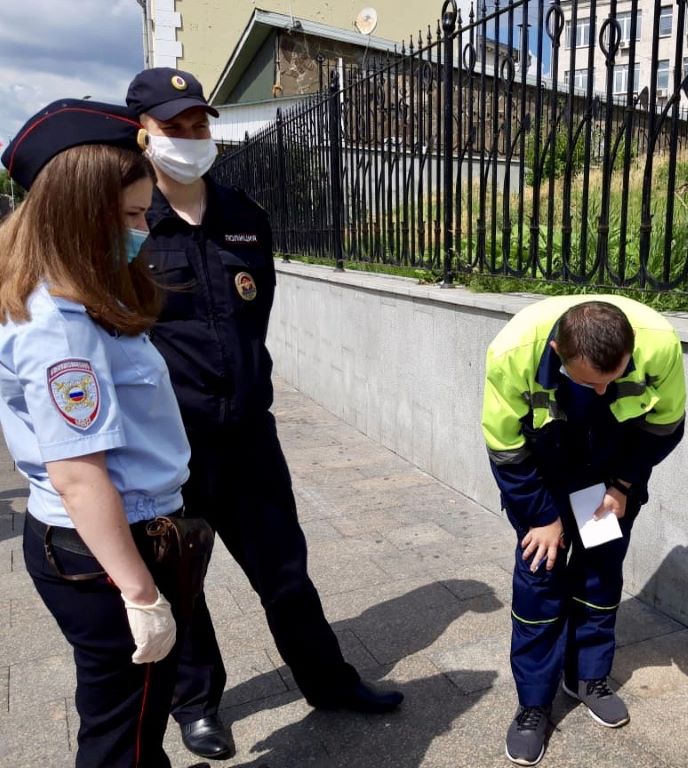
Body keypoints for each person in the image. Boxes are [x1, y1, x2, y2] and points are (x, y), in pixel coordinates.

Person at [124, 67, 403, 761]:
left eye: (199, 124)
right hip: (168, 447)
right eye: (174, 127)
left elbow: (258, 314)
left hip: (249, 435)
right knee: (182, 584)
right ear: (143, 135)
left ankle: (329, 682)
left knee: (286, 572)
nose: (191, 138)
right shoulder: (127, 227)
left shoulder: (246, 216)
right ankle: (197, 705)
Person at [0, 100, 200, 767]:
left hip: (105, 540)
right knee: (126, 727)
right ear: (84, 214)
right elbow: (80, 478)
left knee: (129, 712)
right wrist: (141, 594)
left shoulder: (72, 293)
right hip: (109, 550)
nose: (145, 229)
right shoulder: (59, 327)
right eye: (134, 216)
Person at [481, 295, 686, 765]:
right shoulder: (513, 352)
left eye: (613, 380)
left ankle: (587, 676)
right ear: (557, 351)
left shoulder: (659, 344)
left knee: (599, 570)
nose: (601, 392)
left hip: (608, 469)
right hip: (544, 468)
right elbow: (505, 448)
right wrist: (542, 517)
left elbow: (665, 426)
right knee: (542, 579)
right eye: (591, 382)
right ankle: (533, 705)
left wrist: (621, 486)